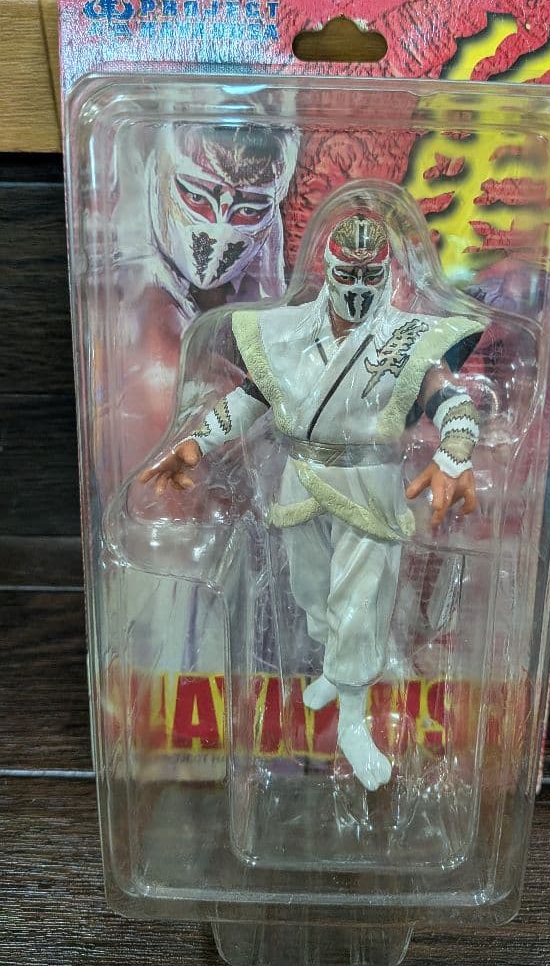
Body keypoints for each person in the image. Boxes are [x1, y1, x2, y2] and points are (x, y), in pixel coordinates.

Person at [140, 211, 484, 790]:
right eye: (347, 274)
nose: (358, 288)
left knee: (358, 601)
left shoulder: (405, 338)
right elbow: (251, 398)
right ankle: (331, 667)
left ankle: (352, 718)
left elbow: (451, 401)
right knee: (310, 588)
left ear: (386, 275)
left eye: (370, 276)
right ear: (328, 270)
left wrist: (453, 455)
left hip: (369, 484)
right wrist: (197, 443)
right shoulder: (291, 334)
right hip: (301, 478)